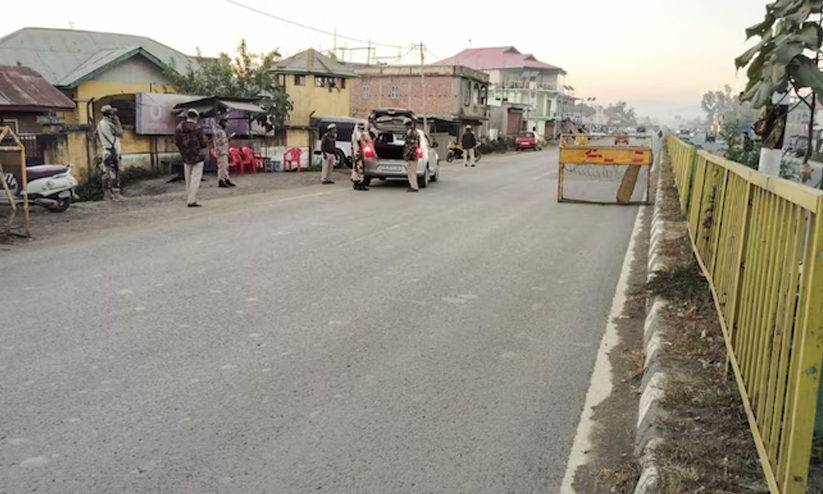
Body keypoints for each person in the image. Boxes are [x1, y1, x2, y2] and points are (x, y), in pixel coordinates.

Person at [174, 109, 208, 207]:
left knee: (188, 179)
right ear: (196, 117)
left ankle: (189, 198)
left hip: (185, 156)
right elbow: (203, 143)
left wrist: (183, 150)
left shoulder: (179, 128)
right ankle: (192, 200)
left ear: (187, 116)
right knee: (195, 178)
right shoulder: (198, 128)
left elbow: (177, 142)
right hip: (198, 156)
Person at [97, 105, 124, 201]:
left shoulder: (100, 124)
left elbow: (96, 135)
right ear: (110, 115)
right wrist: (117, 122)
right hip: (113, 152)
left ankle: (107, 194)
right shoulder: (109, 124)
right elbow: (120, 133)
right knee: (115, 173)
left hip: (106, 151)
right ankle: (116, 194)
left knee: (107, 174)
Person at [213, 117, 236, 188]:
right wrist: (228, 138)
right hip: (221, 151)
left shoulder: (221, 131)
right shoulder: (219, 131)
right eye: (226, 123)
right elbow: (219, 142)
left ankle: (226, 179)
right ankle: (221, 180)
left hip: (224, 150)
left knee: (225, 166)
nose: (226, 125)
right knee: (222, 166)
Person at [350, 121, 370, 191]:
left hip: (355, 153)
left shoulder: (354, 134)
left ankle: (356, 183)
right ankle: (360, 184)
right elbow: (359, 142)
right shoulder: (358, 134)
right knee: (359, 168)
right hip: (358, 153)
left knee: (356, 168)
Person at [403, 118, 420, 192]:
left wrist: (407, 155)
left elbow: (412, 146)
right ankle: (413, 185)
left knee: (411, 172)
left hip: (412, 156)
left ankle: (414, 186)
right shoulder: (414, 132)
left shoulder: (411, 133)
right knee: (412, 172)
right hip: (413, 155)